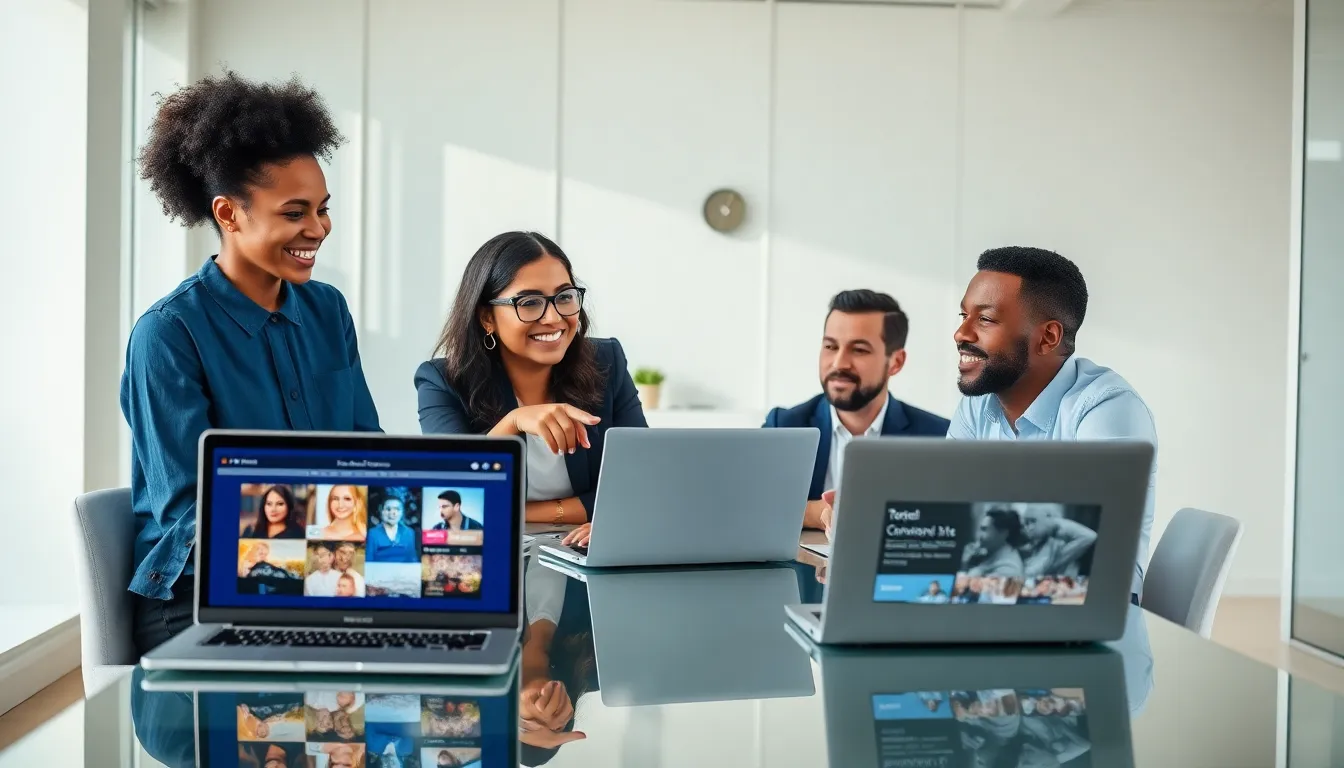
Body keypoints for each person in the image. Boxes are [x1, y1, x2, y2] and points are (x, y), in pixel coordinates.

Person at [123, 71, 381, 656]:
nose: (318, 229)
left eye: (323, 209)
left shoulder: (328, 310)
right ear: (229, 213)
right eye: (295, 213)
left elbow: (367, 453)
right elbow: (193, 515)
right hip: (196, 599)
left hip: (321, 577)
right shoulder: (167, 334)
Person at [415, 231, 647, 550]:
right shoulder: (442, 381)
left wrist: (521, 512)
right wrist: (513, 422)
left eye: (564, 297)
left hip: (583, 551)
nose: (553, 318)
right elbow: (452, 490)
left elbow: (640, 481)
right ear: (487, 318)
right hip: (490, 554)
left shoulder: (606, 361)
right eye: (529, 303)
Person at [947, 247, 1156, 600]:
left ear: (1047, 338)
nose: (960, 333)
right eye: (964, 315)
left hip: (1089, 607)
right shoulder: (977, 404)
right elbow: (946, 509)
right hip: (1000, 600)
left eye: (985, 319)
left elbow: (1099, 554)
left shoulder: (1106, 408)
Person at [764, 290, 948, 529]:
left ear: (896, 362)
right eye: (830, 346)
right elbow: (747, 504)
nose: (839, 363)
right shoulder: (784, 426)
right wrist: (817, 513)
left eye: (859, 349)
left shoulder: (940, 437)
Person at [1018, 503, 1097, 579]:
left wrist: (1055, 523)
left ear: (1049, 517)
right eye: (1027, 523)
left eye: (1033, 521)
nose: (1029, 528)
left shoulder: (1056, 544)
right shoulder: (1032, 543)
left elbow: (1090, 536)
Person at [963, 508, 1027, 579]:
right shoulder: (986, 554)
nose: (978, 535)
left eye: (984, 529)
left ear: (1003, 533)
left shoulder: (1008, 568)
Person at [366, 495, 420, 562]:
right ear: (381, 511)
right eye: (388, 509)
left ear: (402, 512)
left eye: (397, 509)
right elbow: (369, 560)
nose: (392, 513)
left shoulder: (409, 532)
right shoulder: (373, 533)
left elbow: (412, 559)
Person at [240, 485, 306, 539]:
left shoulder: (297, 534)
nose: (273, 509)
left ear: (289, 505)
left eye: (280, 504)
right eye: (269, 504)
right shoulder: (251, 530)